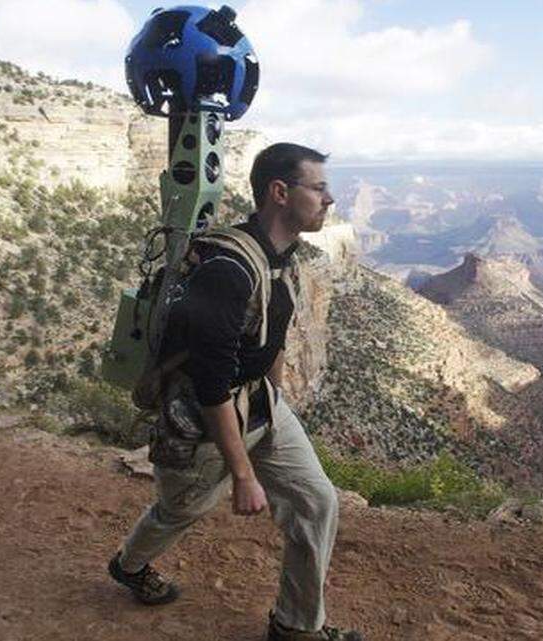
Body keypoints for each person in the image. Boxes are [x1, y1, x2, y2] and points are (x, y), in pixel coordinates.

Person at [109, 143, 364, 641]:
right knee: (182, 508)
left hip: (259, 402)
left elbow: (272, 336)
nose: (329, 199)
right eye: (319, 188)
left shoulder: (282, 256)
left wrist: (275, 407)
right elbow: (210, 384)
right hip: (208, 412)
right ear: (280, 192)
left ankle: (296, 627)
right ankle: (129, 564)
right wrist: (246, 476)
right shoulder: (229, 270)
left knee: (316, 500)